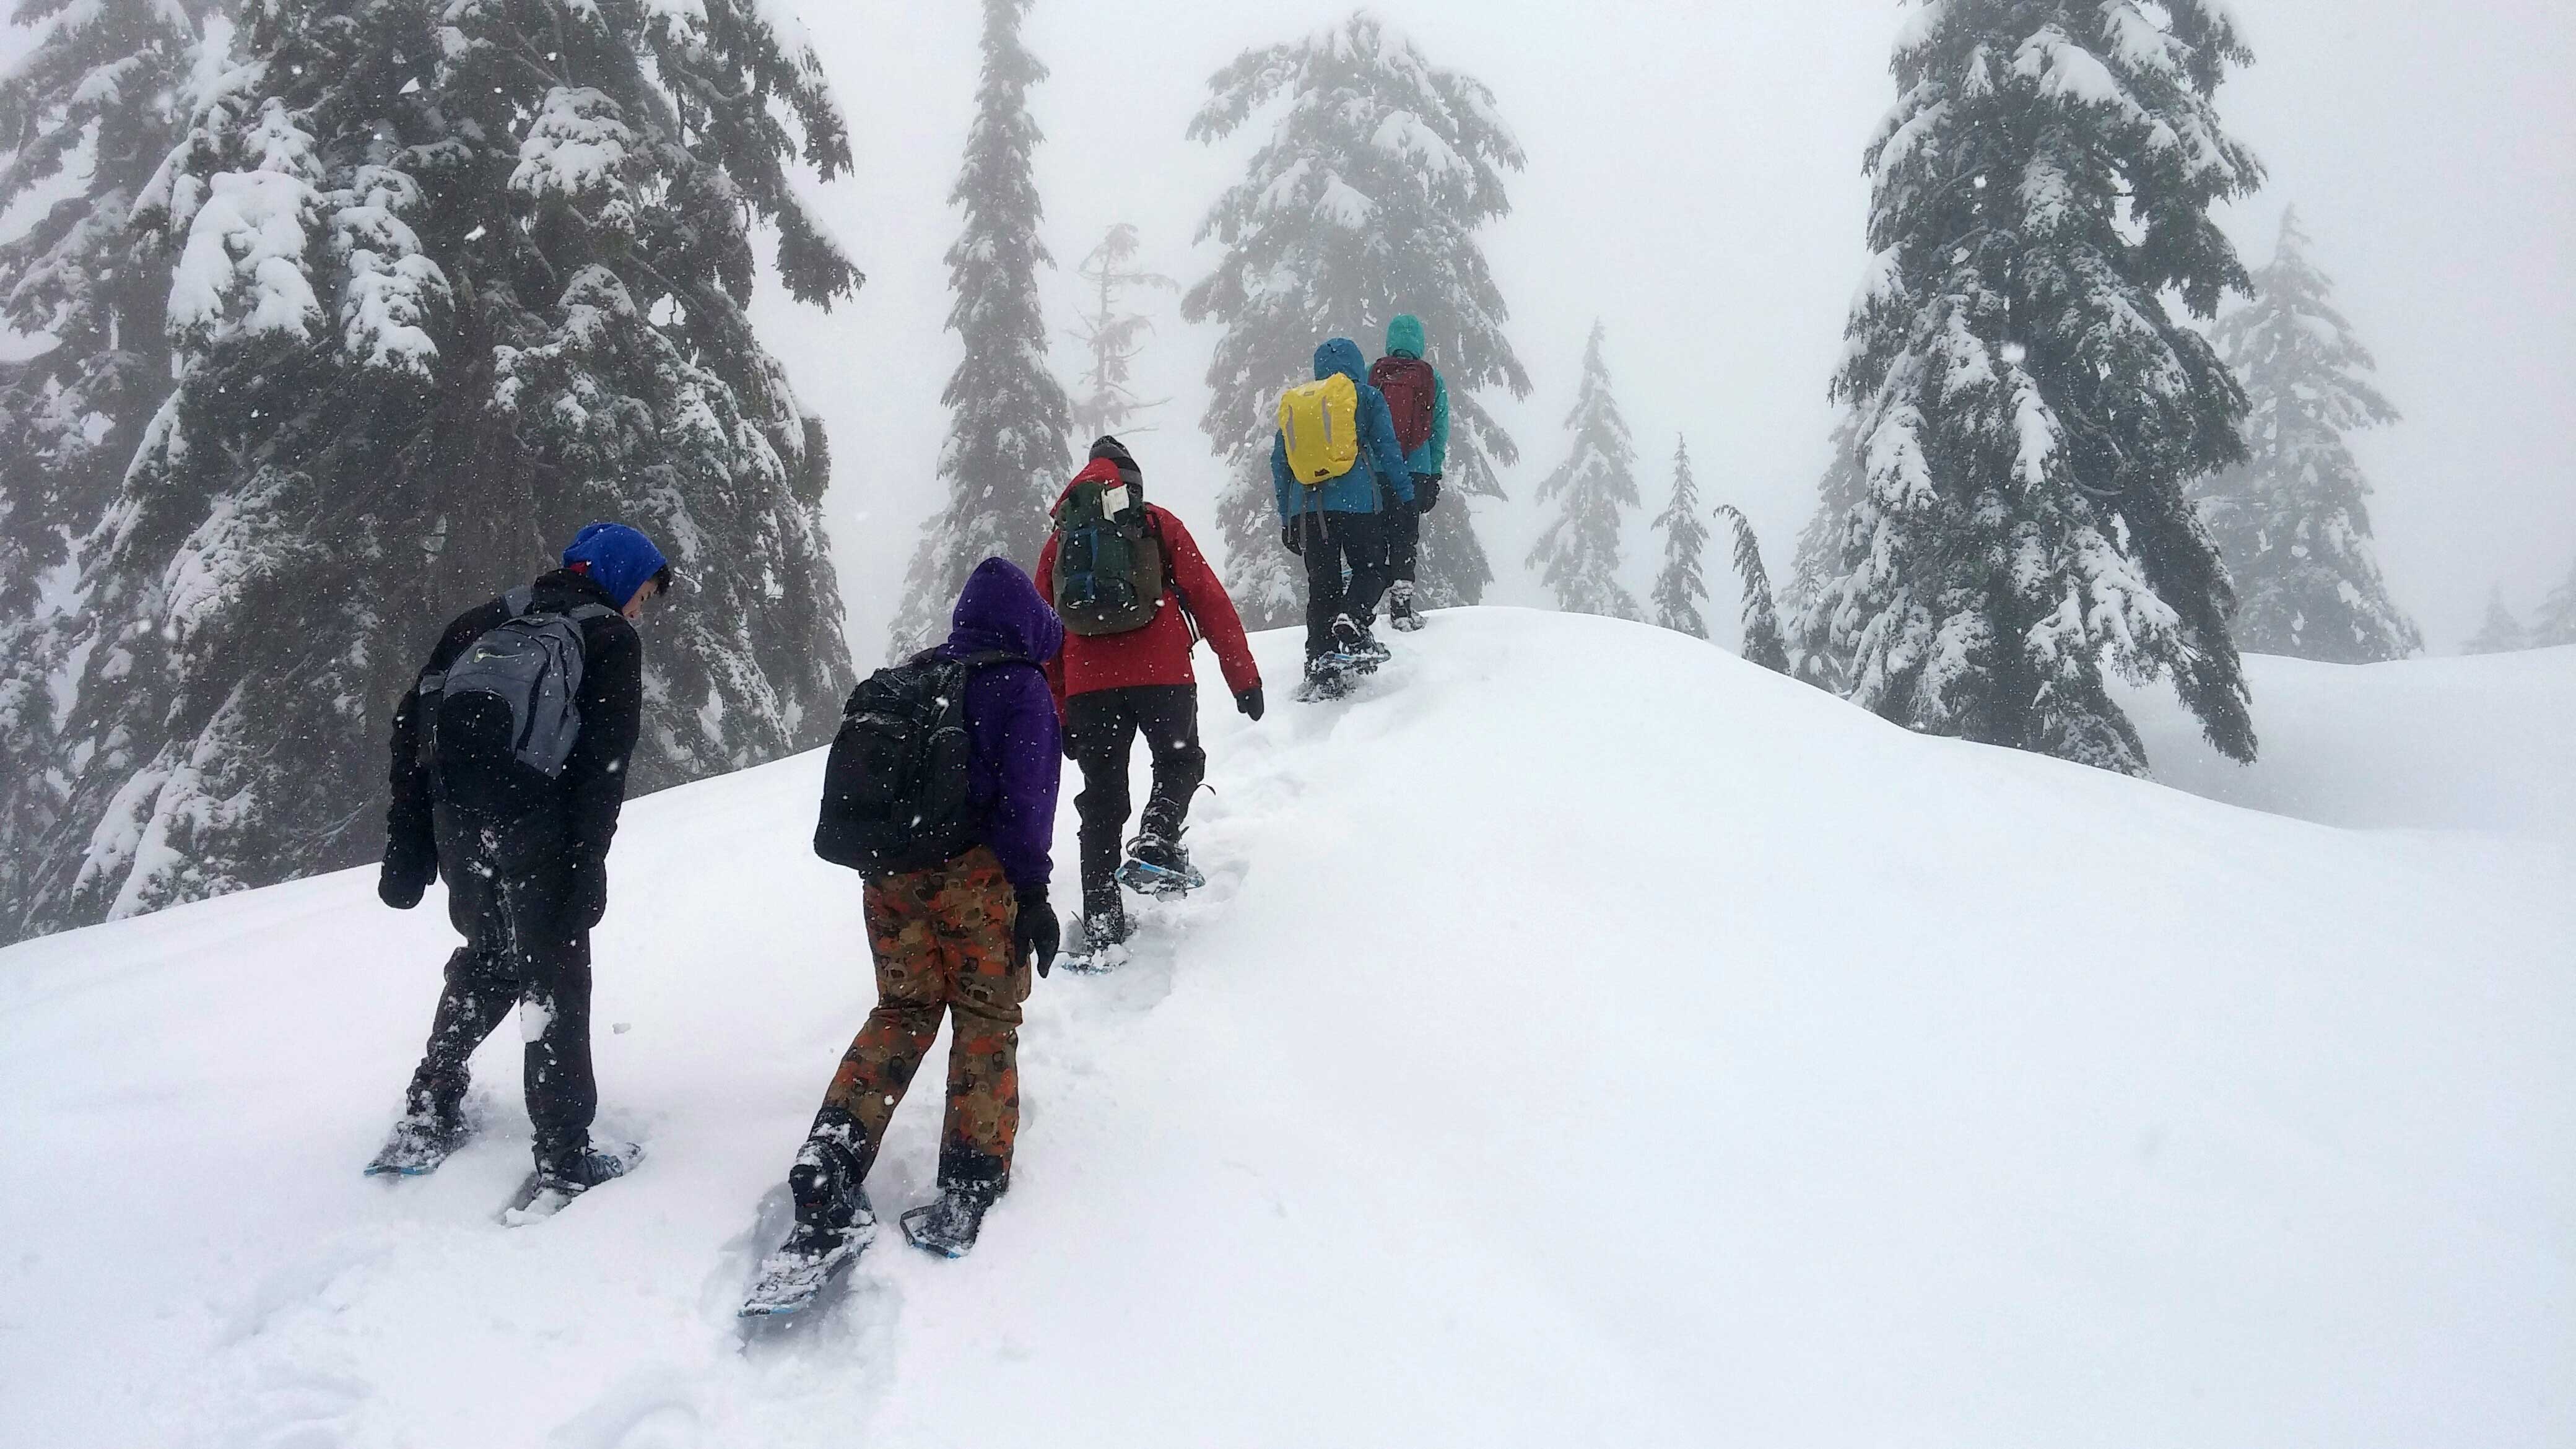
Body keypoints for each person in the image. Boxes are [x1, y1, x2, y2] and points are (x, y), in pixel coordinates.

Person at [371, 522, 671, 1196]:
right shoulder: (608, 638)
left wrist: (409, 838)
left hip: (459, 820)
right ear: (622, 578)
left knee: (489, 957)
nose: (638, 611)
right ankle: (564, 1152)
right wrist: (588, 862)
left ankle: (432, 1102)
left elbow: (409, 725)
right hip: (542, 827)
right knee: (555, 981)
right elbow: (603, 766)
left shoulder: (483, 619)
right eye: (642, 596)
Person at [781, 557, 1065, 1262]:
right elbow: (1026, 807)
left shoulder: (918, 676)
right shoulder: (1019, 686)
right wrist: (1032, 894)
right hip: (973, 880)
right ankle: (969, 1177)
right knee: (986, 1018)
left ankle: (832, 1154)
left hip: (887, 878)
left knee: (902, 1011)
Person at [1034, 437, 1262, 957]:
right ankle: (1159, 836)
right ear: (1133, 484)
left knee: (1102, 801)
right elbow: (1208, 597)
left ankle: (1101, 923)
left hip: (1090, 686)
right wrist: (1243, 678)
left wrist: (1061, 709)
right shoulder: (1156, 524)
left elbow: (1042, 632)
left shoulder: (1061, 540)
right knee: (1180, 764)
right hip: (1163, 674)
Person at [1272, 337, 1416, 692]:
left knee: (1323, 586)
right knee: (1373, 570)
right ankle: (1352, 618)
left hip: (1308, 511)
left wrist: (1286, 517)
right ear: (1356, 364)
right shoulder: (1366, 397)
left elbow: (1281, 463)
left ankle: (1320, 662)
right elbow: (1387, 449)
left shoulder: (1301, 403)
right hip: (1358, 507)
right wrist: (1405, 493)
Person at [1369, 313, 1450, 632]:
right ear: (1420, 342)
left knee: (1376, 538)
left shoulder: (1373, 374)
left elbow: (1360, 422)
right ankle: (1401, 611)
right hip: (1415, 470)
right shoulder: (1431, 379)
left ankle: (1366, 608)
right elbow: (1439, 429)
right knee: (1405, 536)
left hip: (1378, 469)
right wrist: (1434, 472)